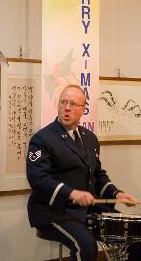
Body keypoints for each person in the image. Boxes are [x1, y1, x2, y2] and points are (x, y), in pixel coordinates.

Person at [26, 84, 138, 260]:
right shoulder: (43, 139)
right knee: (85, 246)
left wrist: (117, 194)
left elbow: (98, 175)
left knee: (135, 234)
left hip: (88, 209)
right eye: (63, 102)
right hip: (54, 211)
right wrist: (71, 193)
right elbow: (38, 180)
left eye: (73, 104)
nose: (67, 108)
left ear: (83, 109)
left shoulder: (90, 138)